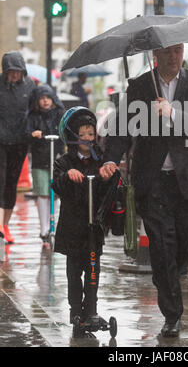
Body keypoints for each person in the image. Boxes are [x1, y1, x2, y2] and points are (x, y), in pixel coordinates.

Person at [99, 43, 188, 337]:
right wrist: (111, 160)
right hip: (153, 182)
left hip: (187, 181)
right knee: (162, 249)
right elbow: (121, 129)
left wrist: (173, 112)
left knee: (187, 246)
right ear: (155, 56)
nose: (173, 57)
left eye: (177, 52)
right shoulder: (140, 86)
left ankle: (166, 280)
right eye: (167, 52)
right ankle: (172, 316)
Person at [52, 107, 110, 330]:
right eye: (82, 133)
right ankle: (76, 310)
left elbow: (110, 188)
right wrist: (68, 176)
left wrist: (109, 175)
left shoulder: (100, 160)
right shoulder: (64, 162)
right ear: (72, 136)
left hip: (93, 228)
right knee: (74, 272)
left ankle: (91, 308)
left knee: (93, 269)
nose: (87, 138)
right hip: (72, 227)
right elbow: (56, 184)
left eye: (91, 133)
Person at [0, 51, 36, 243]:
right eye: (11, 71)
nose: (15, 75)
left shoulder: (30, 86)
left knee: (11, 184)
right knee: (0, 180)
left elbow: (37, 110)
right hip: (0, 140)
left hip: (20, 141)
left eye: (18, 71)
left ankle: (5, 225)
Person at [26, 84, 65, 244]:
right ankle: (44, 227)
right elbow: (27, 134)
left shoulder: (58, 114)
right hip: (40, 159)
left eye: (48, 98)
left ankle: (52, 224)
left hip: (55, 157)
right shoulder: (33, 117)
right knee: (42, 191)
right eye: (42, 98)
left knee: (54, 192)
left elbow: (64, 132)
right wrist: (33, 135)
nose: (46, 101)